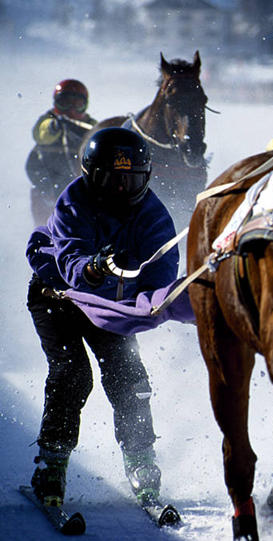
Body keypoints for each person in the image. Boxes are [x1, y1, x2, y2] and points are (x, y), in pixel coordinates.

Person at [25, 127, 179, 509]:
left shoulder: (152, 214)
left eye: (132, 180)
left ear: (146, 177)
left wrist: (155, 302)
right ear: (91, 175)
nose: (122, 190)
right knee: (73, 373)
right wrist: (91, 270)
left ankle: (141, 459)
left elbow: (163, 268)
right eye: (112, 180)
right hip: (56, 297)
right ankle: (52, 462)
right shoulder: (73, 201)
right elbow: (71, 257)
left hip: (110, 305)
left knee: (129, 374)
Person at [26, 79, 98, 225]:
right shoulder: (48, 121)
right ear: (56, 103)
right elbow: (40, 133)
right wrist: (54, 126)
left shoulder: (91, 126)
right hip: (46, 187)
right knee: (48, 229)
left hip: (79, 191)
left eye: (77, 105)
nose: (71, 110)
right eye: (65, 103)